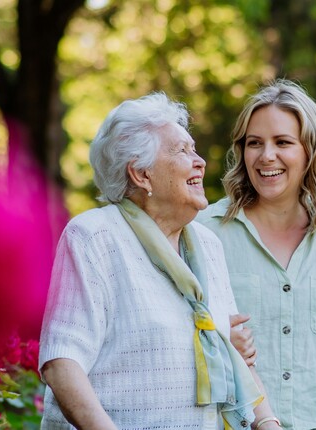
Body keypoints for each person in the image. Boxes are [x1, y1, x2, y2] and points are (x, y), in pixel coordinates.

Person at [38, 92, 280, 430]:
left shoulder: (207, 245)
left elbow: (234, 358)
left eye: (194, 149)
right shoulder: (94, 237)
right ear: (141, 174)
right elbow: (61, 363)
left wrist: (268, 423)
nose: (200, 161)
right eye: (182, 151)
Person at [198, 80, 316, 430]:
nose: (266, 156)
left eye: (283, 142)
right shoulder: (206, 233)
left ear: (310, 151)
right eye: (255, 143)